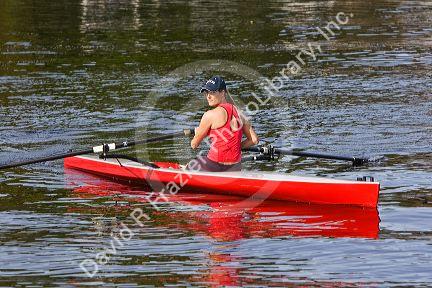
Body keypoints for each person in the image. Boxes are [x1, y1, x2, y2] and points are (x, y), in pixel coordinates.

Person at [186, 76, 259, 172]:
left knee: (192, 163)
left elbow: (194, 145)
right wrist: (236, 147)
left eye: (212, 92)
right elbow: (254, 140)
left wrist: (199, 132)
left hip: (214, 167)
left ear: (223, 93)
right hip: (235, 168)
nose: (208, 96)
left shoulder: (209, 115)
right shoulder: (240, 113)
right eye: (207, 92)